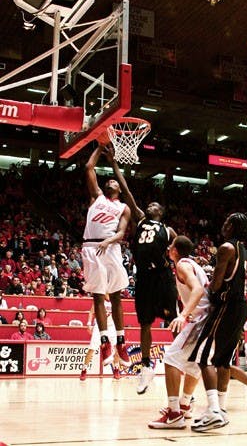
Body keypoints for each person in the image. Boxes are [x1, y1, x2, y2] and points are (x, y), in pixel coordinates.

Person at [107, 146, 178, 395]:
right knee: (144, 324)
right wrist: (115, 163)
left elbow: (180, 252)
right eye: (150, 203)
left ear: (161, 213)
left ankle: (184, 357)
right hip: (144, 278)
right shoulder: (140, 219)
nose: (151, 205)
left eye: (156, 205)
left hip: (162, 276)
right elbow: (126, 190)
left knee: (174, 321)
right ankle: (146, 367)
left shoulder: (168, 230)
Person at [189, 213, 247, 432]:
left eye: (226, 222)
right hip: (240, 307)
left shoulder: (226, 248)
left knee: (203, 357)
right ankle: (220, 409)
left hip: (226, 306)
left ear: (232, 226)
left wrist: (203, 280)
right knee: (222, 361)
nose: (223, 225)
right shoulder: (242, 249)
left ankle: (213, 411)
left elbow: (215, 286)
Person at [148, 235, 211, 429]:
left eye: (170, 247)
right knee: (192, 365)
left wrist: (184, 314)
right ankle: (184, 405)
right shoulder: (193, 263)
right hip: (209, 319)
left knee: (171, 359)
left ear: (174, 251)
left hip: (200, 320)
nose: (168, 249)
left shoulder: (183, 265)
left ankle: (174, 413)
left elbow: (198, 290)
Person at [81, 144, 132, 368]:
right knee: (98, 296)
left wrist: (109, 240)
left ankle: (120, 340)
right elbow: (89, 167)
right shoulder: (97, 197)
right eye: (108, 180)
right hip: (92, 248)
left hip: (110, 248)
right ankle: (104, 341)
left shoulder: (124, 207)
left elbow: (121, 232)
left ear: (119, 189)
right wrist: (100, 148)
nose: (111, 181)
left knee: (116, 294)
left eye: (114, 181)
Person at [80, 295, 121, 381]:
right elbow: (91, 312)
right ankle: (84, 370)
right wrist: (88, 323)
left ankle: (116, 369)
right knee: (91, 349)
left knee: (116, 348)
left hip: (111, 326)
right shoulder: (99, 298)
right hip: (99, 326)